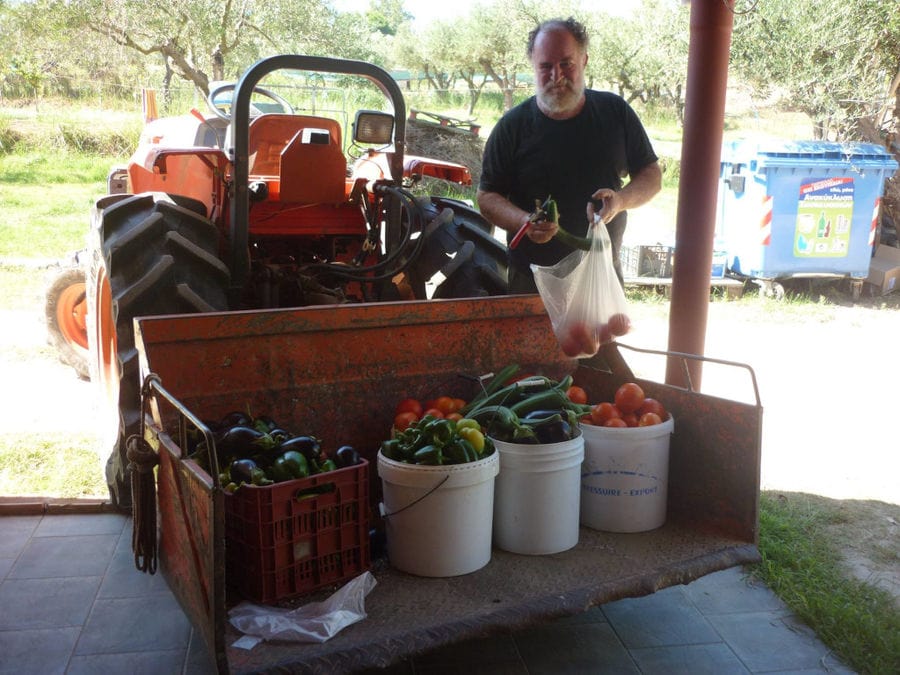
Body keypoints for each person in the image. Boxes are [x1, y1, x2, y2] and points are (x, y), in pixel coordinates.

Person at [477, 17, 662, 293]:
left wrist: (620, 200)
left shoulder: (615, 113)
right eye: (545, 66)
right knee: (529, 340)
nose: (557, 76)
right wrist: (523, 222)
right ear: (533, 66)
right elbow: (487, 197)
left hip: (601, 276)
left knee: (602, 339)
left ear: (584, 61)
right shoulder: (511, 127)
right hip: (532, 281)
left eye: (566, 64)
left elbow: (652, 175)